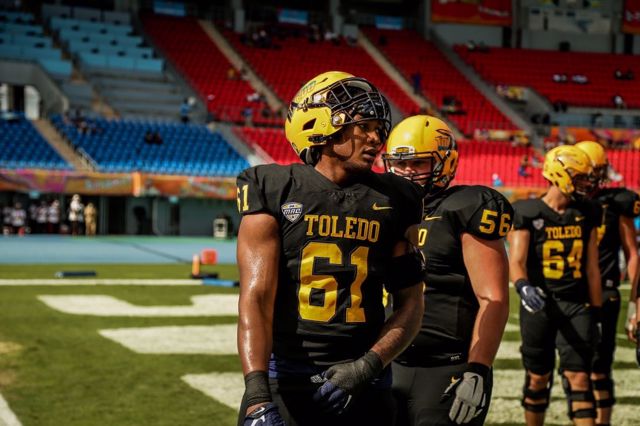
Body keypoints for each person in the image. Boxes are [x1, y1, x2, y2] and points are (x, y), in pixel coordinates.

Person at [236, 71, 426, 426]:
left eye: (379, 129)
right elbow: (256, 298)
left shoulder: (397, 198)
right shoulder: (275, 188)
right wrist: (257, 396)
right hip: (287, 377)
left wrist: (367, 366)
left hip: (365, 380)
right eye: (365, 126)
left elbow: (411, 304)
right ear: (320, 125)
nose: (376, 139)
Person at [383, 115, 513, 426]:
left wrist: (478, 369)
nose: (407, 171)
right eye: (400, 163)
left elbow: (493, 298)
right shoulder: (388, 210)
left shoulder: (465, 207)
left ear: (446, 162)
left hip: (448, 368)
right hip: (389, 363)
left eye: (418, 162)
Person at [508, 145, 602, 426]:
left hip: (576, 304)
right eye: (580, 177)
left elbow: (592, 268)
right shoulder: (527, 211)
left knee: (580, 378)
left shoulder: (587, 212)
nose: (586, 183)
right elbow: (516, 261)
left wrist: (597, 312)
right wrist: (523, 287)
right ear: (560, 174)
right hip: (540, 305)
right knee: (538, 378)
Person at [575, 141, 640, 425]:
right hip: (570, 293)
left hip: (605, 289)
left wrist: (635, 305)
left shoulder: (616, 202)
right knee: (574, 370)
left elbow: (633, 254)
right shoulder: (564, 203)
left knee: (599, 369)